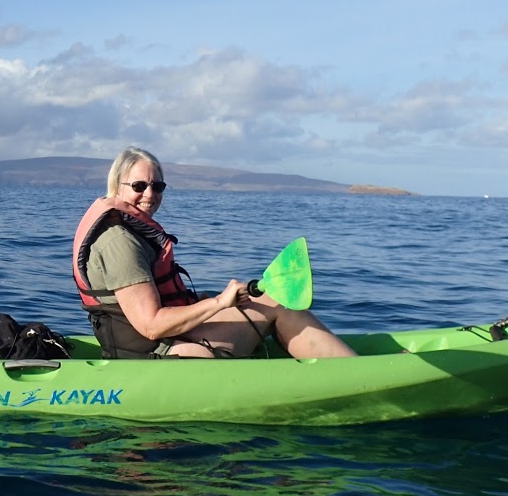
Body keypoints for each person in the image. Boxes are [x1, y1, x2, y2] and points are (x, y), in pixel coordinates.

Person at [71, 146, 357, 360]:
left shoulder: (127, 232)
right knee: (278, 305)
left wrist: (212, 300)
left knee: (265, 299)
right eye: (138, 186)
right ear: (116, 187)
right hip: (157, 353)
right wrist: (219, 303)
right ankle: (352, 375)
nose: (149, 194)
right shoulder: (119, 242)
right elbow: (152, 326)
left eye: (157, 186)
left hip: (163, 341)